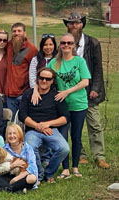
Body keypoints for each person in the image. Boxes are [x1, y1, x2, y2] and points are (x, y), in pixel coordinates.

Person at [34, 33, 91, 178]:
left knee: (76, 136)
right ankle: (65, 168)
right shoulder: (54, 63)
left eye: (69, 43)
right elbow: (42, 77)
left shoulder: (79, 61)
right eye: (63, 43)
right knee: (63, 136)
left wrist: (67, 91)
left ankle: (75, 166)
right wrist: (35, 90)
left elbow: (85, 82)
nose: (66, 45)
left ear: (74, 46)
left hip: (79, 104)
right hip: (61, 107)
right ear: (60, 45)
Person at [63, 12, 110, 169]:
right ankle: (81, 155)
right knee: (75, 126)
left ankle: (99, 156)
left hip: (89, 92)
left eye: (77, 23)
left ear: (82, 24)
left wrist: (95, 87)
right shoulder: (64, 44)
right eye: (71, 23)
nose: (74, 26)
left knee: (94, 124)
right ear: (67, 26)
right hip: (71, 92)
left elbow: (98, 68)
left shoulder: (93, 43)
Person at [19, 67, 70, 183]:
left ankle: (49, 173)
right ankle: (39, 174)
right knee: (30, 147)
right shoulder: (28, 94)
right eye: (41, 78)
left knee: (64, 149)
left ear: (52, 81)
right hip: (32, 130)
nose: (44, 81)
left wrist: (47, 124)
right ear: (37, 79)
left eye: (48, 79)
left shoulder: (56, 96)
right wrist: (37, 126)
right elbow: (22, 115)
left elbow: (65, 118)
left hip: (51, 130)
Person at [0, 124, 37, 192]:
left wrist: (16, 179)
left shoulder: (28, 149)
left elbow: (33, 167)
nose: (12, 136)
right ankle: (16, 189)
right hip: (6, 177)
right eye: (9, 134)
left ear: (20, 135)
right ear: (6, 136)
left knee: (32, 178)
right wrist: (12, 165)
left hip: (22, 177)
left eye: (14, 133)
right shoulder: (3, 149)